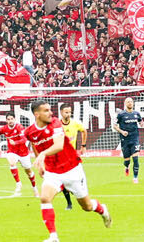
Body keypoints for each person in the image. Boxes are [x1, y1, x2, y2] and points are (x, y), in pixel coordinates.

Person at [25, 100, 112, 242]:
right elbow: (35, 144)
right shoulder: (29, 132)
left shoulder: (55, 124)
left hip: (72, 169)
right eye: (46, 110)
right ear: (37, 114)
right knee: (45, 198)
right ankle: (53, 236)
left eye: (50, 109)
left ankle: (102, 209)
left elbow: (59, 145)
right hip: (52, 172)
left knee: (87, 206)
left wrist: (42, 154)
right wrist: (40, 163)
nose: (51, 113)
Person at [0, 116, 36, 197]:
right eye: (8, 119)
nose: (10, 121)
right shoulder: (4, 129)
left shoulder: (19, 127)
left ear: (14, 119)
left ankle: (34, 188)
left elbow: (24, 139)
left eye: (12, 119)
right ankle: (18, 183)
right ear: (6, 120)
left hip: (23, 153)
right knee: (12, 163)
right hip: (12, 151)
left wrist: (15, 142)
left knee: (29, 172)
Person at [59, 104, 87, 209]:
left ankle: (78, 189)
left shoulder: (75, 123)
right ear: (61, 112)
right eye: (66, 112)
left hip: (73, 156)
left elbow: (84, 131)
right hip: (61, 157)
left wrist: (83, 146)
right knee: (62, 181)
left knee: (78, 177)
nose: (68, 114)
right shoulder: (57, 125)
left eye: (70, 112)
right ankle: (69, 203)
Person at [114, 97, 141, 183]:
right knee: (127, 160)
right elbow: (114, 126)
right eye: (128, 102)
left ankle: (135, 178)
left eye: (131, 102)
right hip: (125, 140)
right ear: (125, 104)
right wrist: (122, 132)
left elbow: (140, 121)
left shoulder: (137, 114)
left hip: (135, 139)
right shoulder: (121, 115)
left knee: (136, 158)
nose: (130, 103)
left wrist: (142, 123)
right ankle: (127, 166)